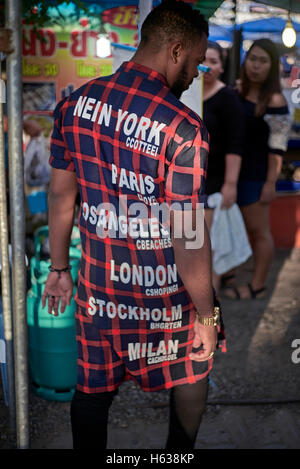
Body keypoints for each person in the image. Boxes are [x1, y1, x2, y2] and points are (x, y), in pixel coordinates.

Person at [42, 1, 224, 450]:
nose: (197, 73)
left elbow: (62, 196)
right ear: (177, 50)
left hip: (102, 289)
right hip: (167, 291)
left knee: (93, 387)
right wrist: (206, 315)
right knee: (193, 366)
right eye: (198, 62)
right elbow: (187, 233)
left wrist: (60, 269)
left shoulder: (75, 105)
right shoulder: (184, 128)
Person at [224, 39, 290, 300]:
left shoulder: (275, 100)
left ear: (272, 67)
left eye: (263, 61)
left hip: (256, 176)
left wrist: (270, 183)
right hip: (230, 174)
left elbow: (278, 148)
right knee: (228, 227)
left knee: (259, 232)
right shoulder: (233, 91)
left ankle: (258, 284)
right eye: (253, 59)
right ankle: (227, 274)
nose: (256, 66)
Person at [202, 41, 245, 294]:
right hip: (188, 184)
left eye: (213, 61)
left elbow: (235, 144)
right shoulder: (186, 92)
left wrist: (230, 184)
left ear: (221, 67)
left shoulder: (227, 98)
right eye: (203, 59)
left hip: (215, 183)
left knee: (207, 246)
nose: (206, 66)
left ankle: (209, 307)